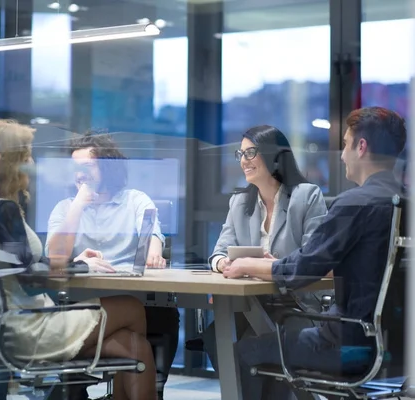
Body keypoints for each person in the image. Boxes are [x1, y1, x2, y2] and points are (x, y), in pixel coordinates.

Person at [222, 107, 407, 400]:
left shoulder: (354, 204)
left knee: (242, 351)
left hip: (347, 342)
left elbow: (303, 269)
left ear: (361, 147)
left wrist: (248, 265)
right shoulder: (404, 203)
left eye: (345, 145)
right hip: (400, 345)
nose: (343, 155)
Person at [0, 119, 157, 400]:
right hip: (27, 326)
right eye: (27, 157)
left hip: (8, 322)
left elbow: (23, 265)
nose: (32, 164)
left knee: (136, 347)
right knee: (134, 309)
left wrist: (72, 262)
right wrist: (80, 264)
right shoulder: (4, 210)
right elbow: (32, 275)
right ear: (13, 163)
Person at [45, 133, 180, 398]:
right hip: (82, 308)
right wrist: (80, 204)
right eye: (75, 169)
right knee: (135, 345)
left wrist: (154, 252)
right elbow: (55, 256)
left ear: (107, 167)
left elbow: (152, 233)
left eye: (87, 167)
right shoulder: (65, 208)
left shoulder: (134, 199)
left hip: (137, 302)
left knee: (159, 319)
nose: (79, 174)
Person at [199, 125, 328, 370]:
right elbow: (217, 253)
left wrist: (271, 266)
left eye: (250, 153)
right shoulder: (239, 202)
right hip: (250, 303)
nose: (243, 161)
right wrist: (224, 263)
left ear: (273, 155)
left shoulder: (306, 196)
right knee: (217, 338)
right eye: (240, 154)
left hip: (294, 304)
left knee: (247, 346)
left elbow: (315, 257)